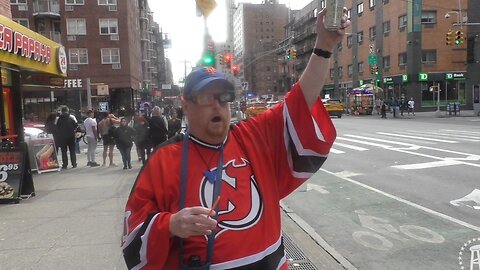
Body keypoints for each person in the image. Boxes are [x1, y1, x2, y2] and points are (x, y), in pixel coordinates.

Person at [121, 8, 348, 270]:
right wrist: (170, 225)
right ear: (186, 105)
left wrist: (323, 45)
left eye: (224, 97)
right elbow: (132, 231)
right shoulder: (164, 160)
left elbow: (299, 101)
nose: (218, 106)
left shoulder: (252, 137)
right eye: (207, 98)